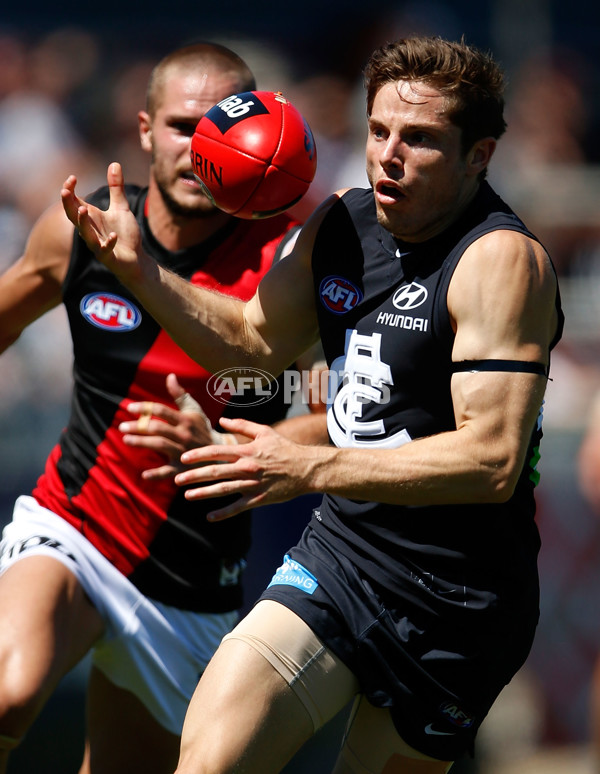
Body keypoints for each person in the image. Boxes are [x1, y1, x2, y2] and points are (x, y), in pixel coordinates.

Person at [62, 35, 564, 774]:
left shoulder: (500, 262)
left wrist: (308, 466)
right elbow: (250, 341)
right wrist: (141, 271)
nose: (389, 155)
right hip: (340, 558)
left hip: (457, 603)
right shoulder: (340, 225)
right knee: (208, 764)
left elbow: (490, 460)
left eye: (421, 140)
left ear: (479, 154)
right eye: (379, 131)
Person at [0, 41, 328, 774]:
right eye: (184, 126)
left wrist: (233, 440)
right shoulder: (79, 231)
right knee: (7, 691)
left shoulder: (289, 263)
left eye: (222, 125)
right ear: (145, 131)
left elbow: (337, 410)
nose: (201, 147)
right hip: (76, 528)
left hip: (193, 582)